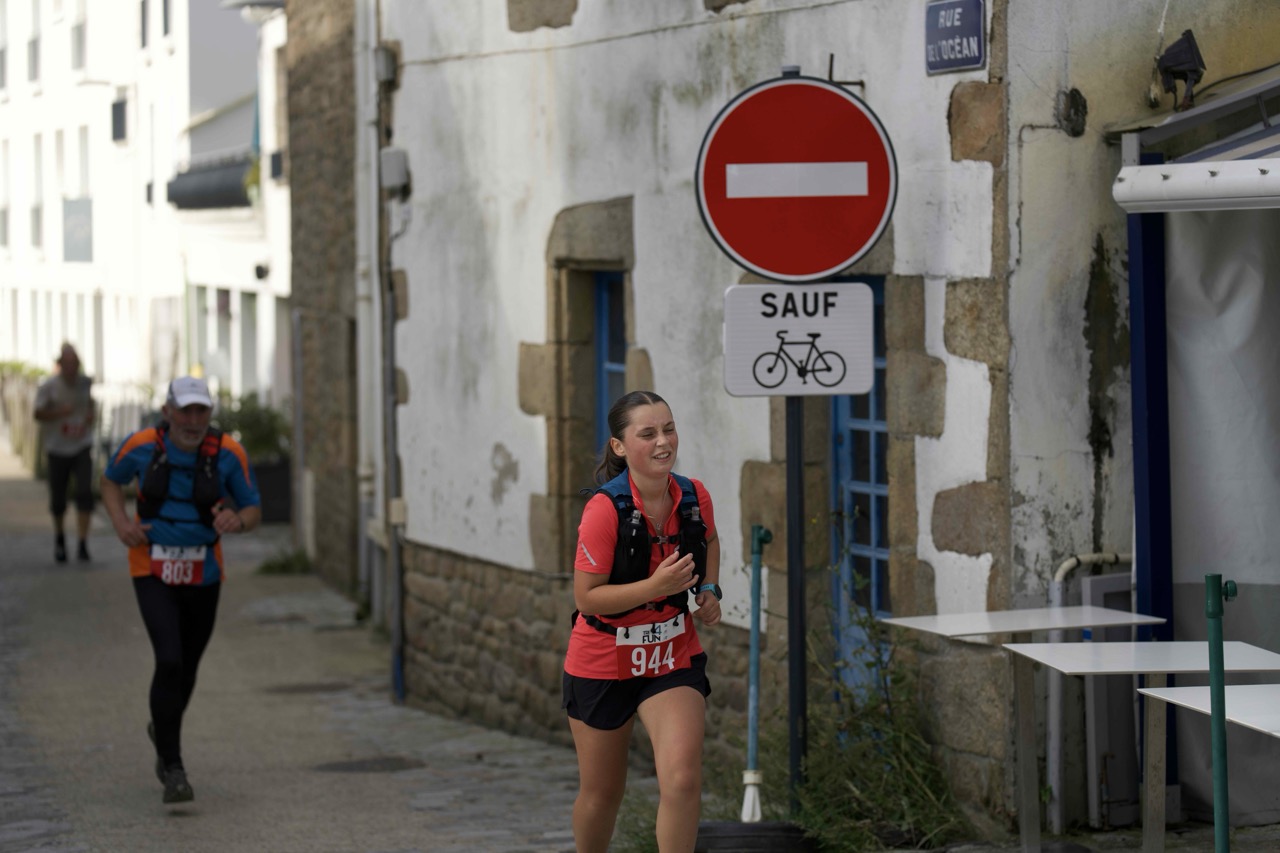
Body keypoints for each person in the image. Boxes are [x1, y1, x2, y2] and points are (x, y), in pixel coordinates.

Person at [562, 390, 722, 853]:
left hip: (671, 653)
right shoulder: (603, 509)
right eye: (647, 433)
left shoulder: (693, 495)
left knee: (683, 778)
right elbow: (587, 598)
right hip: (602, 659)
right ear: (619, 445)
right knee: (602, 795)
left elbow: (710, 539)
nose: (663, 442)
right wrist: (656, 586)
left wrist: (710, 588)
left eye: (668, 429)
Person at [100, 376, 261, 805]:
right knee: (169, 659)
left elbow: (253, 508)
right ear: (167, 411)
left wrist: (238, 521)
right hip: (151, 566)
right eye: (184, 410)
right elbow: (110, 481)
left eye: (200, 411)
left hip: (203, 572)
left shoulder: (229, 453)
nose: (192, 420)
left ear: (209, 414)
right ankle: (173, 768)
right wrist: (121, 524)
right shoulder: (141, 445)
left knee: (187, 668)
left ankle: (162, 727)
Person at [33, 343, 97, 563]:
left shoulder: (85, 383)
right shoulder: (49, 386)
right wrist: (60, 412)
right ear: (60, 365)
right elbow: (37, 413)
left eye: (75, 364)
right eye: (67, 364)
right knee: (58, 498)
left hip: (81, 445)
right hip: (57, 448)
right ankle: (60, 539)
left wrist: (90, 416)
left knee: (84, 493)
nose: (71, 368)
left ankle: (83, 543)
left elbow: (91, 404)